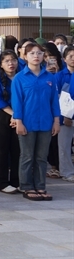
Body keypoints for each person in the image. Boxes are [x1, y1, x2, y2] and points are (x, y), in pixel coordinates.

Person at [12, 41, 61, 201]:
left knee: (41, 157)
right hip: (27, 122)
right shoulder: (19, 78)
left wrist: (56, 120)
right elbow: (17, 102)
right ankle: (26, 186)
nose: (36, 56)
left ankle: (40, 186)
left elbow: (54, 101)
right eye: (32, 53)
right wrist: (18, 121)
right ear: (25, 56)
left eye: (39, 53)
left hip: (46, 122)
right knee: (27, 156)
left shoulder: (50, 77)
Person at [0, 50, 21, 194]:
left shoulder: (22, 77)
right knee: (1, 150)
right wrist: (14, 115)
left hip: (20, 117)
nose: (11, 63)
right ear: (1, 64)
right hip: (3, 116)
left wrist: (18, 116)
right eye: (7, 61)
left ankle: (17, 181)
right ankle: (2, 182)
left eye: (13, 60)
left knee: (18, 150)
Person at [56, 47, 74, 182]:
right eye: (70, 56)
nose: (73, 58)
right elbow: (57, 98)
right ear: (64, 59)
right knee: (64, 146)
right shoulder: (59, 76)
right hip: (65, 117)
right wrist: (65, 116)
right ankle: (67, 172)